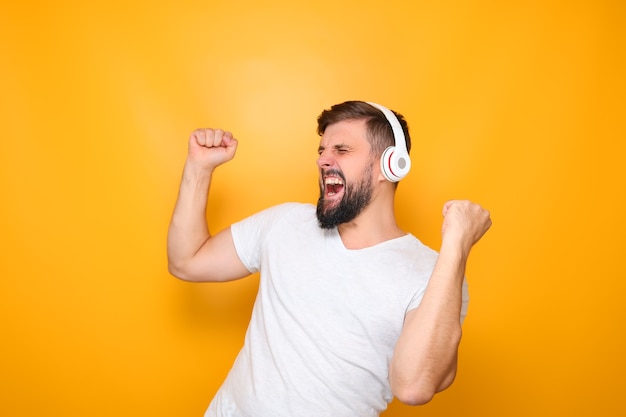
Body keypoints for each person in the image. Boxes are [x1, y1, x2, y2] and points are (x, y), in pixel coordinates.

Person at [167, 100, 492, 417]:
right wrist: (199, 168)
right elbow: (187, 261)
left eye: (342, 150)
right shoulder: (285, 223)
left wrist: (457, 245)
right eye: (322, 150)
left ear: (391, 164)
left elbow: (414, 387)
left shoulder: (435, 276)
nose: (324, 160)